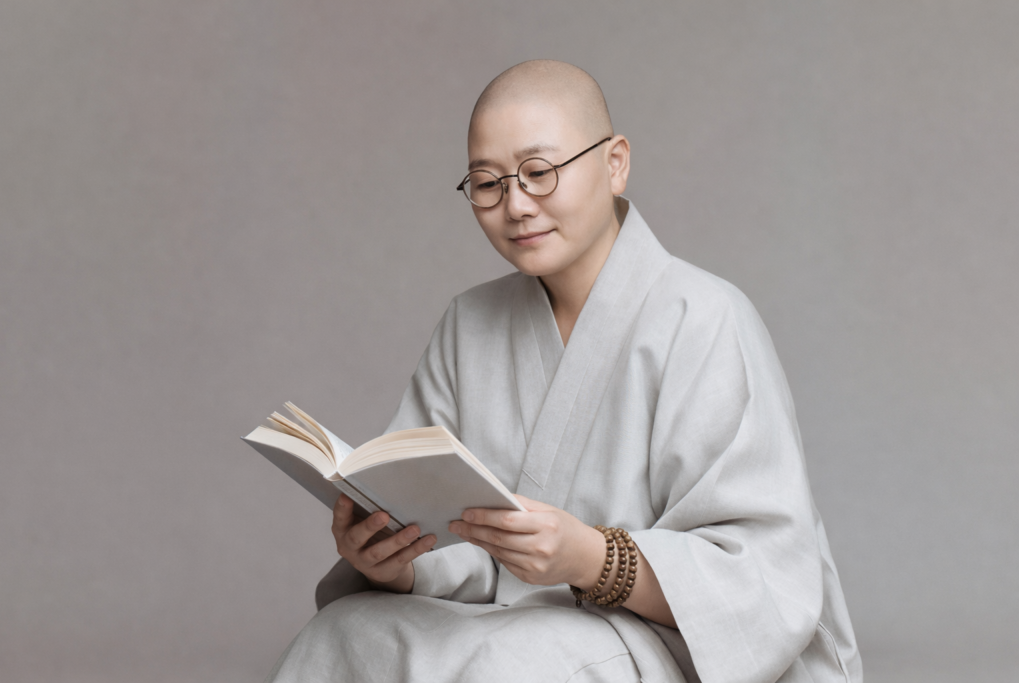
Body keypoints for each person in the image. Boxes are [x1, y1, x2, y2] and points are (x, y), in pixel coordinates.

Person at [267, 60, 862, 683]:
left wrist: (592, 557)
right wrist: (396, 563)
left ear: (615, 163)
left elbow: (760, 577)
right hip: (509, 621)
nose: (516, 205)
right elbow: (453, 541)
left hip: (657, 641)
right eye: (486, 182)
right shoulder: (469, 322)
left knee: (512, 663)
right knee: (341, 635)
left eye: (539, 173)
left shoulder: (706, 318)